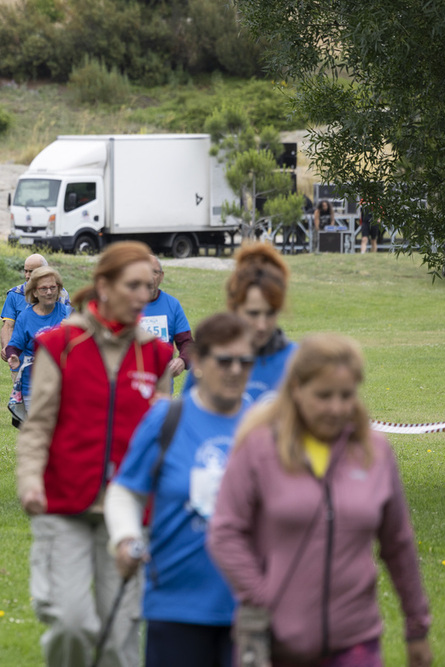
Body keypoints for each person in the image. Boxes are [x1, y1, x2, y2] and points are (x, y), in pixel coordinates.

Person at [208, 334, 432, 667]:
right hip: (276, 645)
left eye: (346, 395)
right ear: (296, 389)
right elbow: (225, 532)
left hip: (356, 643)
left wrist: (417, 626)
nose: (337, 408)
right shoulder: (258, 448)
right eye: (323, 396)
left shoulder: (375, 452)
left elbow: (398, 543)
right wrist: (263, 596)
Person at [15, 241, 173, 667]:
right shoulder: (61, 344)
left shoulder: (155, 354)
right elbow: (38, 424)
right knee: (70, 621)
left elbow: (160, 437)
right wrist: (30, 481)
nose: (144, 294)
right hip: (64, 502)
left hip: (127, 511)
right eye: (133, 285)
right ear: (104, 285)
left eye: (150, 284)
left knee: (119, 638)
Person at [105, 313, 255, 667]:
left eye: (245, 361)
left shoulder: (265, 426)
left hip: (249, 603)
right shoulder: (166, 418)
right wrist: (125, 539)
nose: (235, 370)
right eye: (225, 360)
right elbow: (126, 491)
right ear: (199, 361)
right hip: (175, 601)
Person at [185, 243, 295, 404]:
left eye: (270, 313)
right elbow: (186, 418)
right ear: (234, 308)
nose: (262, 325)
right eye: (253, 314)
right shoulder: (208, 360)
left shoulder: (296, 361)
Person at [4, 266, 71, 413]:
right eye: (44, 288)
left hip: (63, 387)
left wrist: (72, 332)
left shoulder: (68, 314)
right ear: (34, 291)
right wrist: (13, 355)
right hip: (32, 387)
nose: (49, 292)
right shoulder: (25, 317)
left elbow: (86, 344)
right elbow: (14, 345)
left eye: (53, 288)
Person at [0, 253, 70, 359]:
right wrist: (8, 348)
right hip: (22, 362)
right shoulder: (15, 294)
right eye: (26, 271)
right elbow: (8, 326)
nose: (27, 276)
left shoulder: (61, 294)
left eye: (32, 271)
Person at [140, 256, 193, 382]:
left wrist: (182, 360)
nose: (150, 278)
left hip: (162, 389)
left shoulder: (172, 305)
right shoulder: (126, 305)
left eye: (155, 272)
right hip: (131, 388)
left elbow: (187, 343)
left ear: (161, 276)